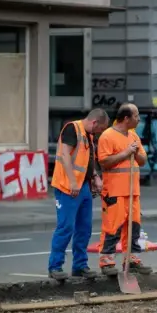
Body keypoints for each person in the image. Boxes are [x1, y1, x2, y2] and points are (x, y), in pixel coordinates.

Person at [48, 109, 110, 282]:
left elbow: (88, 161)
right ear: (95, 123)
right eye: (100, 129)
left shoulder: (88, 135)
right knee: (65, 227)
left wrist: (96, 177)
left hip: (83, 187)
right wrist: (72, 181)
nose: (98, 133)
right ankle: (55, 266)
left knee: (84, 228)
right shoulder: (72, 128)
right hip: (67, 187)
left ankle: (80, 266)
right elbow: (64, 155)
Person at [97, 104, 152, 276]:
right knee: (112, 227)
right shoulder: (107, 136)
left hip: (132, 191)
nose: (139, 119)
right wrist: (126, 152)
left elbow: (142, 160)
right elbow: (104, 162)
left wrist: (134, 153)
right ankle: (107, 262)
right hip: (114, 191)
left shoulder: (134, 136)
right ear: (126, 118)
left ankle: (132, 260)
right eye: (136, 116)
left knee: (134, 228)